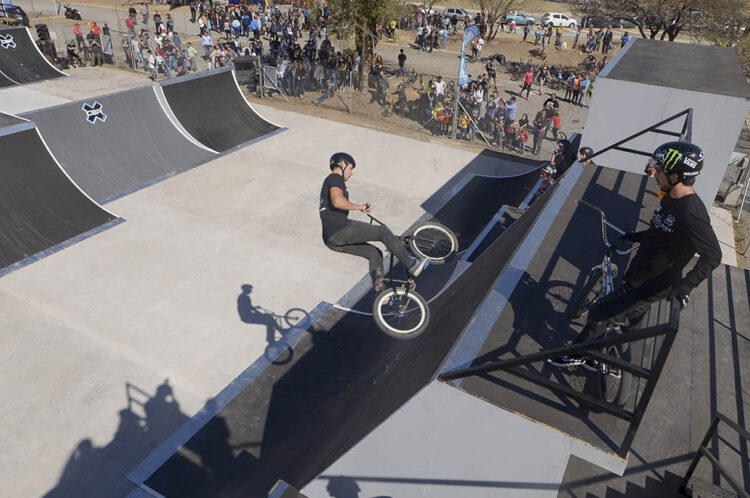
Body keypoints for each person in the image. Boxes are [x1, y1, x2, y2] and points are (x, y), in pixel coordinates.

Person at [549, 142, 721, 368]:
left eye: (659, 171)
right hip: (642, 273)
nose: (655, 175)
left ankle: (577, 354)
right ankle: (604, 360)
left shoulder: (691, 212)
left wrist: (686, 286)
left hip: (648, 285)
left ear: (675, 175)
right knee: (629, 324)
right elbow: (660, 231)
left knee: (599, 312)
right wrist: (637, 236)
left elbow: (713, 254)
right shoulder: (671, 197)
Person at [320, 153, 428, 291]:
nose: (351, 173)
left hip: (330, 239)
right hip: (339, 228)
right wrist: (360, 207)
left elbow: (337, 203)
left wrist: (358, 208)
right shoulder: (335, 178)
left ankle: (380, 291)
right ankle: (412, 265)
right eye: (350, 169)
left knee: (374, 253)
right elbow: (338, 201)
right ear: (342, 164)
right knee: (382, 231)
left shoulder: (329, 182)